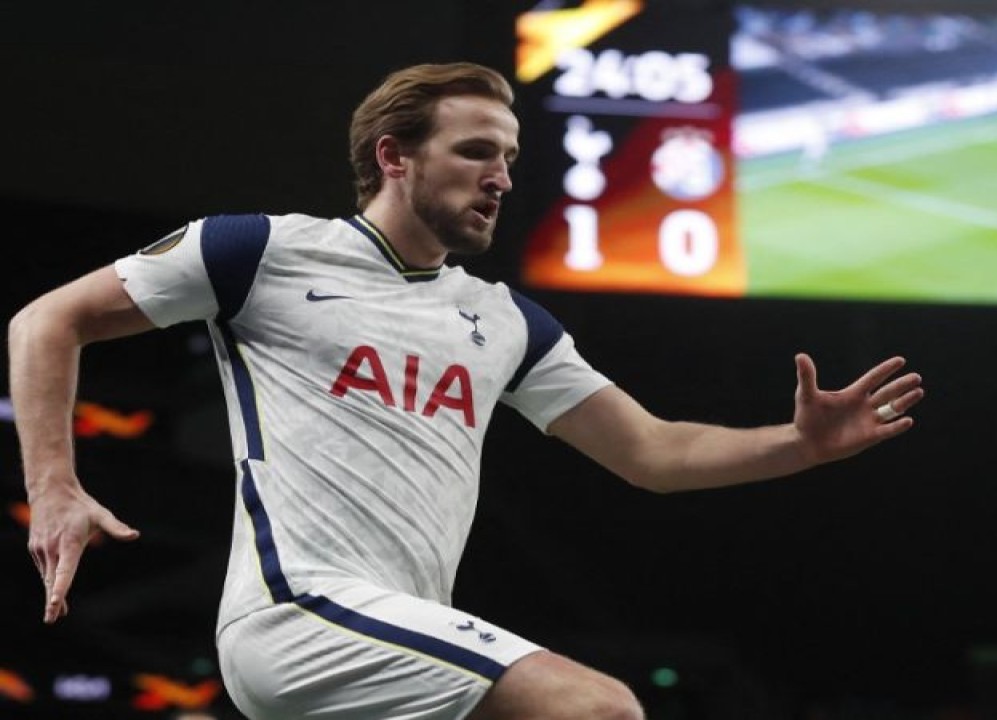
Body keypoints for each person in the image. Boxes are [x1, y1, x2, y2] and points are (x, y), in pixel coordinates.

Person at [10, 62, 924, 720]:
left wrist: (798, 445)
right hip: (300, 617)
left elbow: (657, 453)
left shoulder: (505, 320)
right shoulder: (260, 252)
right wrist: (54, 484)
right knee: (591, 708)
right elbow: (45, 321)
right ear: (394, 156)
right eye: (477, 150)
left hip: (398, 640)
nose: (503, 177)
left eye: (511, 158)